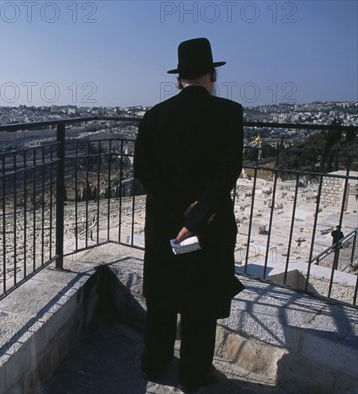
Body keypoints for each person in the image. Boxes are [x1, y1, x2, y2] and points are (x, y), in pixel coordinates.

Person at [134, 37, 245, 392]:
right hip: (206, 229)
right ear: (212, 75)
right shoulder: (229, 113)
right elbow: (228, 172)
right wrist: (198, 214)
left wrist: (178, 210)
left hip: (167, 226)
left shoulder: (154, 117)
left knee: (163, 297)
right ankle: (193, 374)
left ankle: (155, 362)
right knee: (200, 301)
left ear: (179, 79)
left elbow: (144, 172)